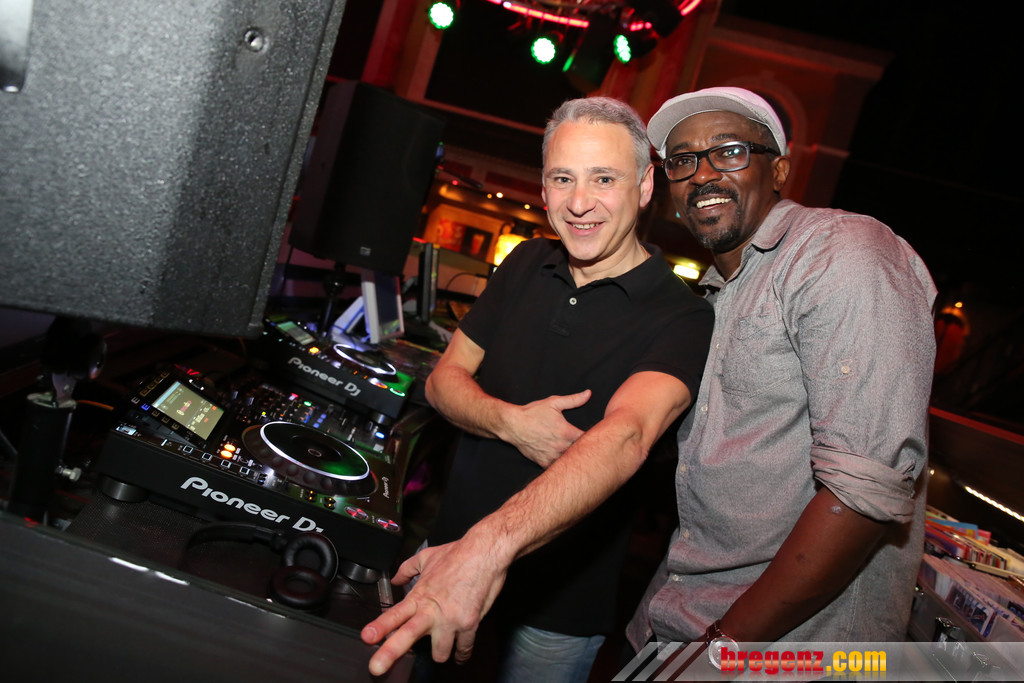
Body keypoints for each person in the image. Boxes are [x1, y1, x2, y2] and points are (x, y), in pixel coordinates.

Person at [361, 97, 714, 680]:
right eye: (563, 178)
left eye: (604, 178)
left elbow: (628, 435)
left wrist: (487, 548)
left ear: (646, 186)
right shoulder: (525, 262)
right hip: (446, 563)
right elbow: (443, 381)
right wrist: (511, 423)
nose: (579, 202)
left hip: (562, 606)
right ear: (544, 189)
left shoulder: (683, 316)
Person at [625, 86, 937, 658]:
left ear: (779, 171)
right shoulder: (715, 294)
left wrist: (720, 652)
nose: (703, 174)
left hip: (786, 650)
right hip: (674, 620)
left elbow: (863, 489)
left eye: (730, 152)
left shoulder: (840, 252)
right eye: (683, 160)